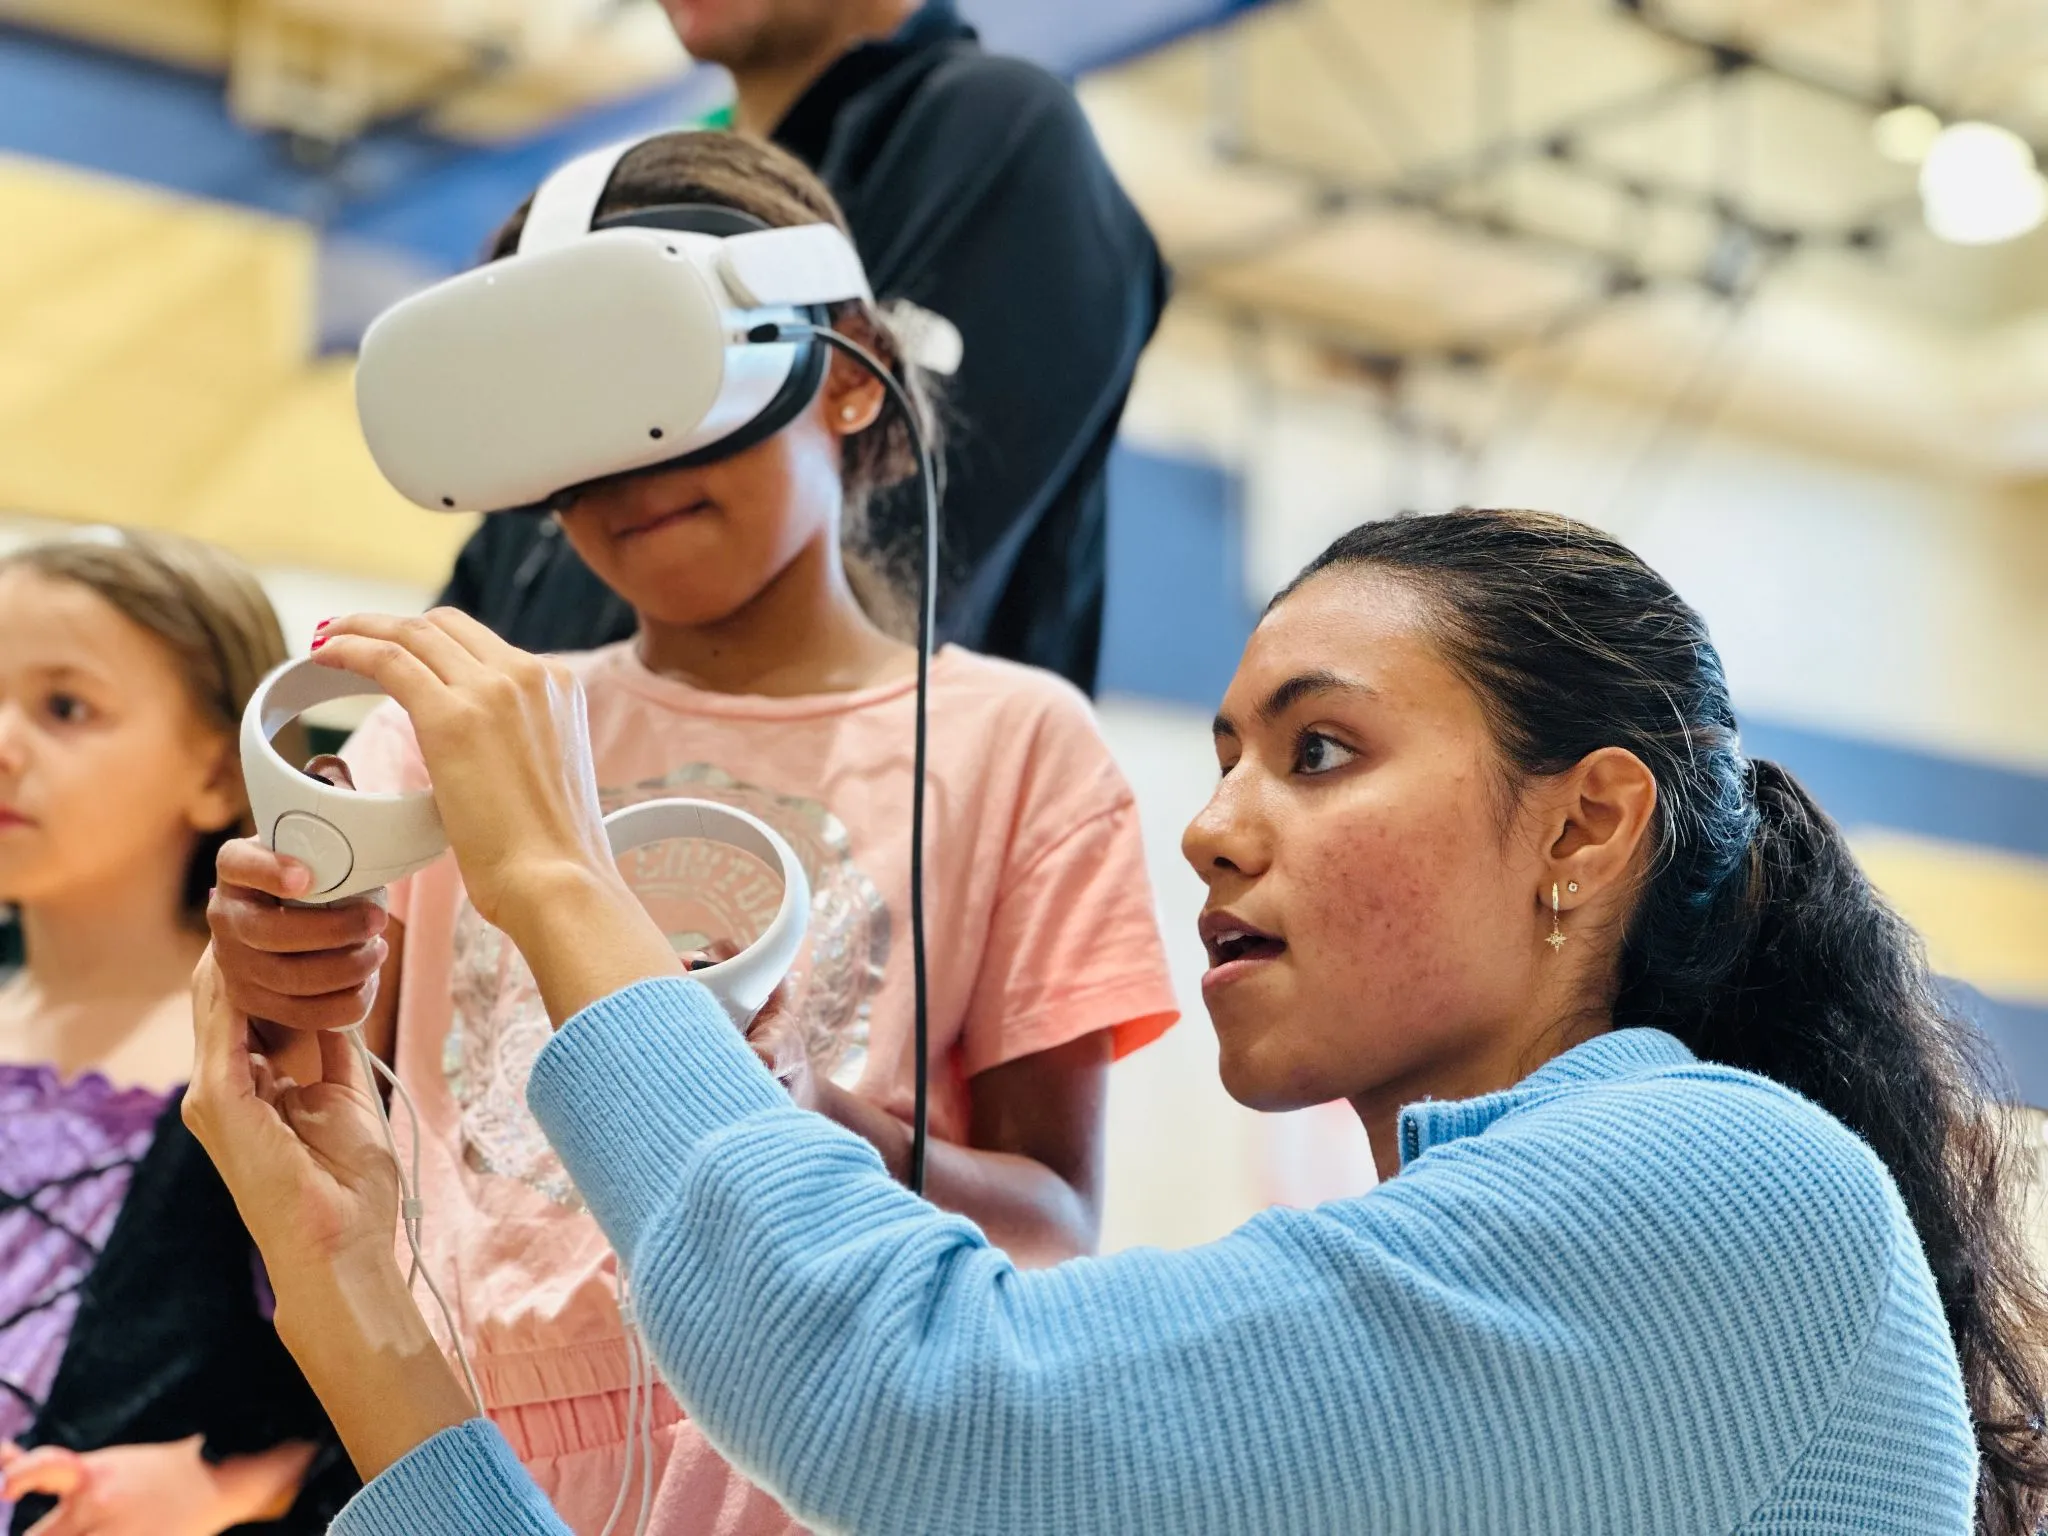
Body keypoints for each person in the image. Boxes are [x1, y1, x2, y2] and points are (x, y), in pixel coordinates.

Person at [193, 508, 2046, 1535]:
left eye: (1319, 751)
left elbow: (918, 1400)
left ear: (1586, 822)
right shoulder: (1438, 1297)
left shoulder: (1722, 1178)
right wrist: (353, 1286)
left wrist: (558, 877)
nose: (1211, 818)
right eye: (1228, 750)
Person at [207, 131, 1179, 1536]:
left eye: (650, 381)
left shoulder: (1016, 746)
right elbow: (321, 1098)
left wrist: (773, 1108)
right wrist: (266, 962)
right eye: (551, 419)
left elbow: (1052, 1226)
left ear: (844, 373)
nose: (615, 467)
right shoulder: (456, 728)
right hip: (454, 1456)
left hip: (829, 1467)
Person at [440, 0, 1165, 696]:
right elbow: (504, 554)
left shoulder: (995, 129)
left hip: (847, 801)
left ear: (856, 374)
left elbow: (894, 565)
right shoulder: (643, 203)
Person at [0, 529, 357, 1535]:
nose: (3, 743)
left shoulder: (275, 1059)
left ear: (218, 771)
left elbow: (364, 1373)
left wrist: (225, 1487)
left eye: (64, 708)